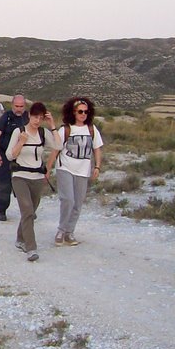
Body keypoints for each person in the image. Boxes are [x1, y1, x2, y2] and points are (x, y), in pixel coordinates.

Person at [6, 102, 62, 261]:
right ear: (29, 116)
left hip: (37, 178)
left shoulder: (43, 133)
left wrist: (52, 126)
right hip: (20, 176)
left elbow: (58, 145)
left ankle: (19, 239)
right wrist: (21, 142)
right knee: (28, 210)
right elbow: (10, 155)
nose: (37, 120)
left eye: (40, 118)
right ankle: (31, 248)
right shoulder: (19, 132)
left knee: (29, 212)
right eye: (35, 117)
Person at [47, 96, 104, 246]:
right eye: (80, 111)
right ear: (73, 112)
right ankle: (61, 229)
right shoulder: (65, 130)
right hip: (65, 167)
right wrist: (47, 168)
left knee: (78, 203)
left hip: (83, 170)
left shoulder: (92, 129)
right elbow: (55, 150)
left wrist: (97, 166)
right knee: (68, 200)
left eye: (86, 111)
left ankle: (69, 232)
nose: (83, 114)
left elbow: (97, 149)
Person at [0, 94, 28, 221]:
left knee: (26, 184)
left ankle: (28, 211)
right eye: (17, 106)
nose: (19, 109)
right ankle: (1, 210)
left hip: (23, 156)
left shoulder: (27, 117)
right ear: (12, 105)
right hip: (5, 155)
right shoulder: (5, 118)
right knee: (4, 184)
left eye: (21, 106)